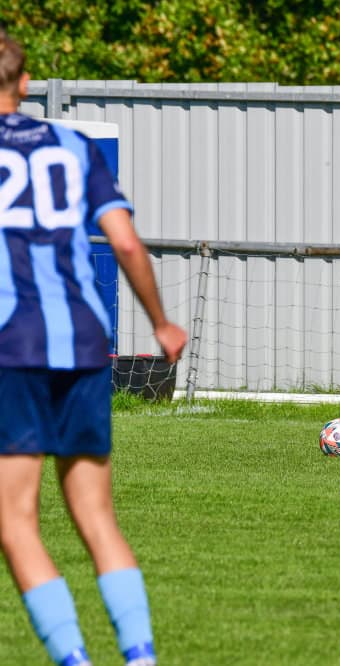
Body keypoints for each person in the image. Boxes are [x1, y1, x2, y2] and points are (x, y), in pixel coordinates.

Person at [0, 32, 187, 666]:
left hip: (11, 348)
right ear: (26, 84)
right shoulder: (73, 146)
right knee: (96, 517)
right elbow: (126, 243)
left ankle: (75, 661)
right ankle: (140, 656)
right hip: (82, 342)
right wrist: (161, 323)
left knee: (16, 522)